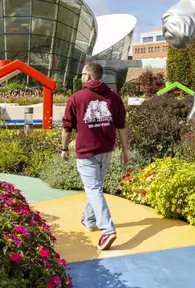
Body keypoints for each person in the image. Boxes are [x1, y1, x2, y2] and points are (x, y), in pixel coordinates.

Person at [61, 63, 128, 251]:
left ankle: (107, 229)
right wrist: (124, 150)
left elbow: (66, 127)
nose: (81, 77)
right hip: (106, 150)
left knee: (94, 189)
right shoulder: (114, 97)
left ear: (88, 76)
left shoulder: (76, 98)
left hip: (86, 151)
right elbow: (121, 126)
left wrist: (64, 148)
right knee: (95, 188)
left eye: (82, 74)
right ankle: (89, 220)